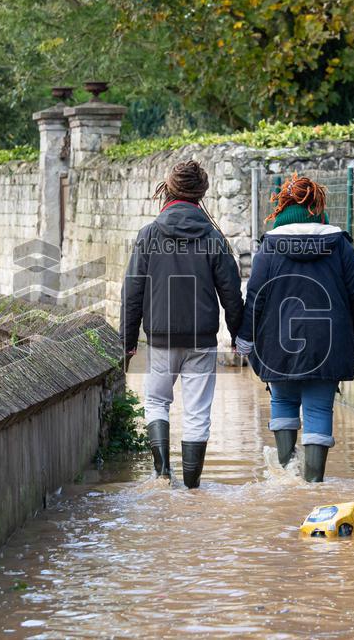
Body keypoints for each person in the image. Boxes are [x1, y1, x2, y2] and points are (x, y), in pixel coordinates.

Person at [235, 173, 354, 482]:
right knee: (319, 409)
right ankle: (314, 486)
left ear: (281, 209)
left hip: (278, 344)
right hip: (329, 342)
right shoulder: (340, 245)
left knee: (282, 401)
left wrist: (245, 337)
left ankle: (288, 478)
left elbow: (255, 296)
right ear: (319, 209)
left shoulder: (269, 247)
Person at [119, 160, 244, 488]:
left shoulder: (149, 235)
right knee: (197, 412)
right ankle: (192, 488)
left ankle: (162, 474)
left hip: (160, 338)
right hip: (202, 339)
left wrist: (127, 343)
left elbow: (132, 292)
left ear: (169, 190)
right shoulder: (213, 237)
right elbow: (231, 292)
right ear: (201, 193)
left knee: (156, 401)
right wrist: (239, 335)